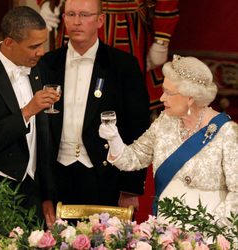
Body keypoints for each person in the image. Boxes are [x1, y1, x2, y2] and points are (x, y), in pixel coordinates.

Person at [99, 54, 238, 225]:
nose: (162, 98)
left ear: (190, 97)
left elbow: (236, 192)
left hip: (210, 233)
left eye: (168, 92)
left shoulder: (226, 132)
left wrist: (214, 232)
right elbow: (133, 158)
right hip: (166, 230)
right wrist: (114, 139)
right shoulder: (164, 121)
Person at [41, 0, 150, 210]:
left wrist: (130, 188)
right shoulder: (46, 64)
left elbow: (138, 129)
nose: (77, 22)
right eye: (71, 14)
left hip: (104, 175)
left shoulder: (123, 66)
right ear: (63, 19)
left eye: (84, 15)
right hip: (56, 176)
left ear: (100, 20)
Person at [0, 6, 59, 231]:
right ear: (9, 42)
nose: (41, 52)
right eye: (34, 46)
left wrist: (47, 195)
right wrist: (27, 111)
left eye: (43, 44)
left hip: (34, 194)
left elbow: (43, 139)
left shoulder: (38, 68)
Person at [37, 0, 179, 110]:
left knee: (126, 103)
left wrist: (162, 38)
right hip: (76, 22)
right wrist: (45, 3)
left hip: (126, 28)